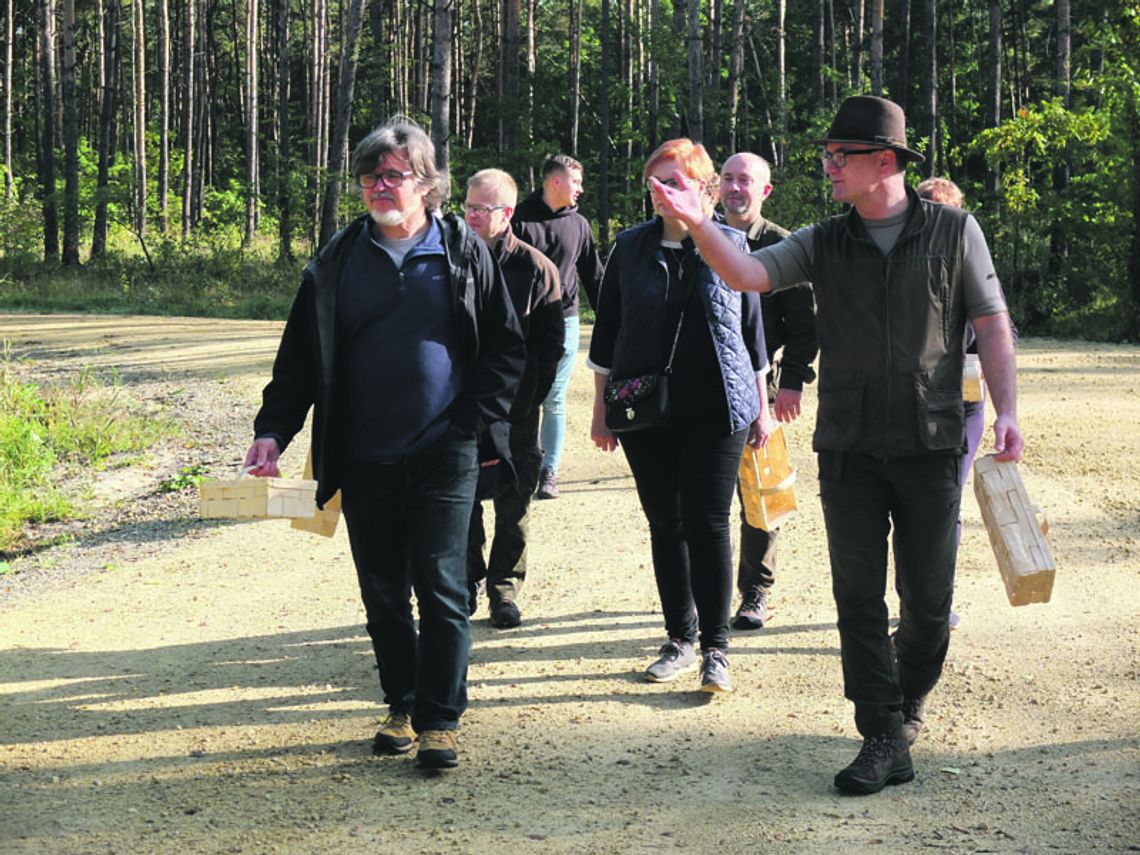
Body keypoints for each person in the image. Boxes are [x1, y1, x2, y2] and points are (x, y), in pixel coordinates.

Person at [647, 96, 1023, 794]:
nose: (828, 167)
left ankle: (908, 701)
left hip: (932, 439)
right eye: (828, 155)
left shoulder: (954, 231)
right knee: (857, 598)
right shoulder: (823, 239)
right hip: (848, 445)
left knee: (929, 600)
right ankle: (880, 731)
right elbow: (748, 274)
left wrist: (1008, 409)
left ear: (885, 162)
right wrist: (699, 222)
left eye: (839, 157)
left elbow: (992, 321)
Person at [243, 118, 525, 771]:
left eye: (393, 174)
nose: (378, 186)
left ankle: (440, 720)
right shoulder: (336, 262)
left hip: (444, 451)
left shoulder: (463, 252)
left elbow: (506, 349)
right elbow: (299, 364)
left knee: (444, 583)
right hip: (363, 453)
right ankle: (401, 699)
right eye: (370, 176)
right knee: (382, 590)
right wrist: (271, 432)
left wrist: (469, 423)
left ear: (427, 184)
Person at [588, 138, 768, 695]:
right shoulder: (628, 248)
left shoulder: (732, 245)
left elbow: (752, 336)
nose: (664, 192)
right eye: (657, 182)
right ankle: (680, 639)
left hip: (719, 408)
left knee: (709, 524)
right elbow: (607, 334)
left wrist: (761, 408)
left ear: (704, 188)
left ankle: (717, 648)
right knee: (665, 524)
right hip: (645, 409)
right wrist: (601, 412)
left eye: (677, 181)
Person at [718, 152, 818, 630]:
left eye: (745, 181)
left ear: (765, 190)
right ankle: (704, 593)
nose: (735, 188)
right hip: (704, 383)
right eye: (728, 179)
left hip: (763, 383)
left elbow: (804, 327)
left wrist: (792, 383)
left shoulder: (784, 246)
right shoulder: (703, 238)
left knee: (760, 493)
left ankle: (755, 591)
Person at [463, 169, 564, 629]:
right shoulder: (449, 259)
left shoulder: (536, 268)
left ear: (506, 214)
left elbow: (550, 348)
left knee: (514, 501)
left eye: (484, 210)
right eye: (469, 207)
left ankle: (504, 590)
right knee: (460, 500)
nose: (474, 216)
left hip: (516, 409)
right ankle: (463, 584)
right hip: (460, 407)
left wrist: (527, 400)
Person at [915, 176, 1017, 631]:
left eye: (942, 213)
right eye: (924, 211)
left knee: (945, 503)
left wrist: (1005, 410)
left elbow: (1001, 335)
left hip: (963, 408)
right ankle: (911, 595)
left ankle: (935, 601)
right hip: (905, 405)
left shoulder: (973, 265)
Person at [512, 154, 605, 499]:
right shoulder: (518, 219)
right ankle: (520, 462)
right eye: (576, 182)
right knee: (521, 395)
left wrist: (613, 317)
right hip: (520, 323)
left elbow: (593, 275)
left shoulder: (578, 224)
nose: (581, 189)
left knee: (553, 396)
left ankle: (548, 471)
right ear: (555, 181)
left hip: (563, 320)